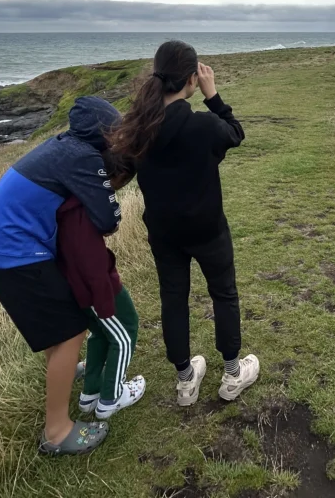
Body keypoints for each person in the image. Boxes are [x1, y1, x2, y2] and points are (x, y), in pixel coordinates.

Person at [109, 40, 259, 406]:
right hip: (208, 229)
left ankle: (185, 381)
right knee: (224, 294)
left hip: (164, 234)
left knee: (173, 300)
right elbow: (235, 132)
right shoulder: (203, 126)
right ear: (192, 79)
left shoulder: (139, 128)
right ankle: (232, 374)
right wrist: (213, 95)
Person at [0, 96, 122, 455]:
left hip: (1, 251)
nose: (118, 139)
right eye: (115, 132)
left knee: (60, 331)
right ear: (102, 133)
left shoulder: (61, 145)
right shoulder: (83, 157)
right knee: (71, 331)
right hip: (17, 256)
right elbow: (107, 219)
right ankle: (56, 432)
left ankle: (63, 373)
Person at [55, 182, 145, 420]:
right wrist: (104, 300)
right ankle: (111, 397)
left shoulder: (61, 207)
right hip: (97, 288)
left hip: (77, 287)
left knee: (101, 334)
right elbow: (90, 258)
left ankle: (91, 392)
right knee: (125, 332)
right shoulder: (79, 213)